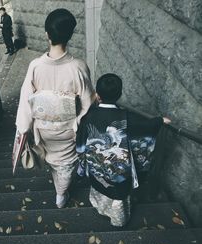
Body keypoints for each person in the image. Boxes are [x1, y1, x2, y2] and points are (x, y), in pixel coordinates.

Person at [15, 9, 95, 208]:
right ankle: (61, 194)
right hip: (69, 130)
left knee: (51, 159)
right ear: (70, 35)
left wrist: (23, 129)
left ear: (47, 35)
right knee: (66, 164)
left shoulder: (35, 66)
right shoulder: (78, 67)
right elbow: (86, 104)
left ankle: (59, 186)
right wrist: (76, 122)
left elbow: (26, 100)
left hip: (43, 129)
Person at [76, 73, 171, 227]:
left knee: (100, 182)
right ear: (119, 94)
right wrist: (159, 121)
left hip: (97, 167)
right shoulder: (127, 117)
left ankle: (100, 207)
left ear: (97, 95)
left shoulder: (88, 117)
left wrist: (82, 168)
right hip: (119, 172)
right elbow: (146, 127)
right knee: (118, 193)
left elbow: (80, 145)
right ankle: (117, 219)